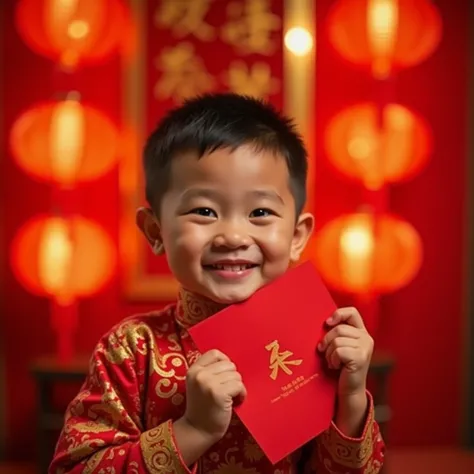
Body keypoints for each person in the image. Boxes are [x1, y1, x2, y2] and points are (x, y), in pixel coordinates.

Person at [49, 93, 385, 473]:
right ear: (155, 230)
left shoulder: (318, 340)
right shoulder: (130, 349)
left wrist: (352, 395)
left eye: (260, 212)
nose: (233, 236)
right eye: (204, 211)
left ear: (296, 236)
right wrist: (193, 430)